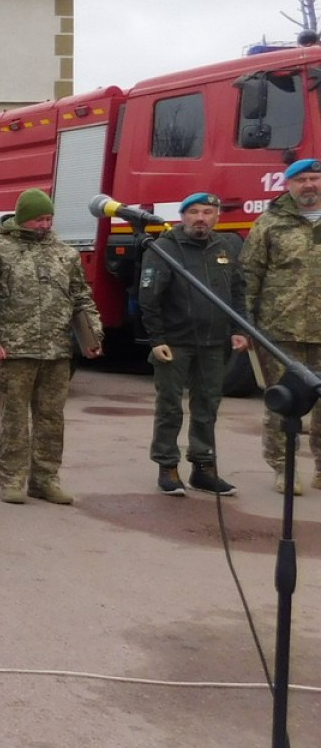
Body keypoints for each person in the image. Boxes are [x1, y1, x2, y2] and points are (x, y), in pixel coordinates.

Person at [0, 188, 103, 504]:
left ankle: (45, 479)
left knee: (51, 419)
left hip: (56, 351)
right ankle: (12, 479)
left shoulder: (64, 253)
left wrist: (92, 337)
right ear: (22, 219)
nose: (45, 225)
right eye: (38, 219)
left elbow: (80, 298)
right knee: (14, 420)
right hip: (15, 350)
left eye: (49, 218)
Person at [143, 192, 246, 495]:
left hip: (213, 343)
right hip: (175, 342)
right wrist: (156, 339)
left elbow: (238, 290)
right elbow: (149, 298)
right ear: (182, 216)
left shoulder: (224, 246)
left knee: (207, 407)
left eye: (208, 212)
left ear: (217, 217)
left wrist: (239, 328)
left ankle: (203, 467)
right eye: (194, 212)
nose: (201, 218)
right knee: (170, 407)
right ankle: (168, 466)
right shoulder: (164, 249)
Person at [241, 158, 321, 494]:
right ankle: (283, 469)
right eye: (301, 179)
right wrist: (245, 325)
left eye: (315, 178)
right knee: (284, 401)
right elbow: (249, 275)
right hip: (279, 330)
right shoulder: (269, 223)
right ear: (288, 185)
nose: (309, 185)